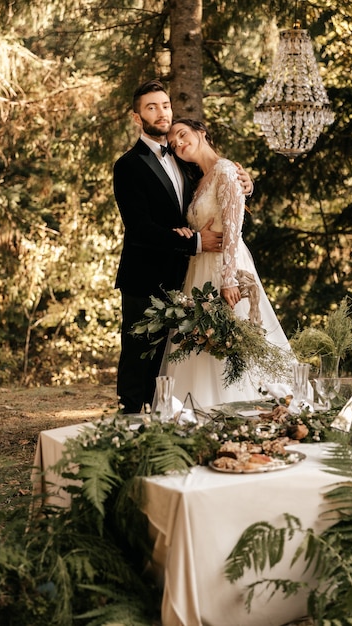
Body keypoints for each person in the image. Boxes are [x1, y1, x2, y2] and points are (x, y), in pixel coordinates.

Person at [113, 80, 253, 414]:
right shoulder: (128, 166)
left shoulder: (186, 160)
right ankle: (132, 427)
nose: (161, 113)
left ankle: (169, 422)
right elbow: (139, 229)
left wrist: (247, 183)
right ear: (137, 117)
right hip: (145, 277)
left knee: (176, 361)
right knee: (139, 359)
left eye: (164, 105)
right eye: (151, 107)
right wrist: (196, 243)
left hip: (187, 279)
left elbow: (221, 194)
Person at [160, 118, 291, 408]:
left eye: (182, 134)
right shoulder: (198, 180)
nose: (178, 143)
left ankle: (244, 409)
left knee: (236, 343)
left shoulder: (226, 170)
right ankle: (199, 410)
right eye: (173, 143)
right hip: (199, 271)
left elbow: (233, 228)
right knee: (202, 344)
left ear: (201, 132)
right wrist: (186, 233)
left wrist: (229, 279)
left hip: (224, 268)